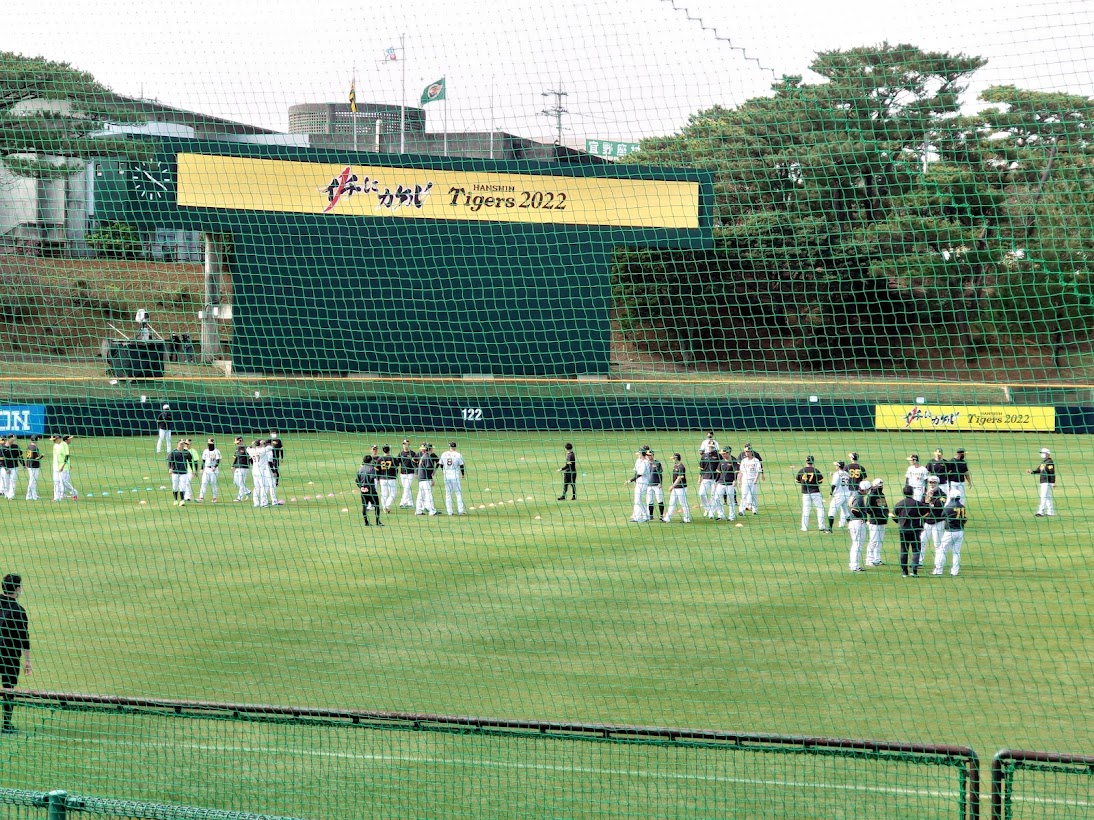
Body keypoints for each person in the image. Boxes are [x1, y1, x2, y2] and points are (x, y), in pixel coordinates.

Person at [0, 574, 31, 734]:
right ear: (18, 589)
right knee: (9, 689)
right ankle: (6, 725)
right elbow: (23, 637)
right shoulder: (19, 611)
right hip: (9, 656)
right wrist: (28, 661)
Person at [893, 485, 929, 577]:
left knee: (904, 550)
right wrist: (921, 521)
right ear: (912, 492)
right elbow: (927, 512)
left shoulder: (899, 504)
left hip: (903, 530)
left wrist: (899, 521)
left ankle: (904, 572)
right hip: (915, 530)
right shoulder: (918, 504)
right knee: (916, 550)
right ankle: (914, 571)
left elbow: (893, 515)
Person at [934, 490, 967, 576]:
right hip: (960, 531)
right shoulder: (962, 507)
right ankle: (955, 571)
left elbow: (942, 515)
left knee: (942, 550)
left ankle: (938, 570)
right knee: (956, 552)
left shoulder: (948, 507)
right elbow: (964, 519)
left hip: (950, 532)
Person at [796, 456, 827, 532]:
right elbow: (821, 481)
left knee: (806, 510)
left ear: (806, 461)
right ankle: (821, 526)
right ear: (813, 461)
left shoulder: (802, 470)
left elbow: (797, 481)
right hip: (816, 492)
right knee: (820, 509)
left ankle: (804, 527)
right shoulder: (816, 470)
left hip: (805, 493)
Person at [920, 476, 946, 558]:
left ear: (937, 483)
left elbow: (940, 506)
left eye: (934, 482)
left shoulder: (942, 495)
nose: (932, 484)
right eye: (930, 482)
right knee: (922, 541)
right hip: (927, 522)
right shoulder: (925, 494)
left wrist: (930, 501)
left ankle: (938, 562)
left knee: (937, 543)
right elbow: (921, 506)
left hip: (938, 522)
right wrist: (928, 501)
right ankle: (919, 561)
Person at [865, 478, 888, 567]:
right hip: (874, 522)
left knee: (879, 541)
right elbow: (868, 509)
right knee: (873, 541)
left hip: (882, 521)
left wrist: (885, 515)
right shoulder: (871, 496)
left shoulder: (881, 495)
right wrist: (876, 514)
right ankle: (869, 560)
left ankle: (877, 559)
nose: (881, 487)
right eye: (879, 486)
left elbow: (884, 507)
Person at [848, 480, 870, 572]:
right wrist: (862, 517)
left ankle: (853, 564)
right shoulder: (859, 497)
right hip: (857, 523)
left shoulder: (854, 494)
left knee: (855, 544)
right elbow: (854, 510)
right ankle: (854, 565)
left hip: (853, 522)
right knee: (857, 545)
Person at [711, 448, 738, 522]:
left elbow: (736, 471)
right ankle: (721, 515)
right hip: (721, 483)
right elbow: (718, 472)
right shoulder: (721, 461)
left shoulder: (733, 461)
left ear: (728, 453)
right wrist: (716, 482)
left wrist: (735, 480)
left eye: (724, 454)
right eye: (722, 454)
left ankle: (731, 516)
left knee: (731, 500)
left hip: (730, 484)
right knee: (716, 498)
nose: (722, 455)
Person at [1027, 448, 1056, 517]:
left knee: (1043, 496)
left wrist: (1053, 482)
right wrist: (1032, 472)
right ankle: (1050, 512)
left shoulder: (1049, 462)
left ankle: (1040, 512)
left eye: (1043, 453)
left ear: (1047, 454)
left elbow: (1052, 472)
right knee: (1047, 497)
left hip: (1047, 482)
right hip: (1043, 481)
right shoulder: (1044, 462)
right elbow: (1039, 470)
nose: (1042, 454)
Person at [662, 453, 690, 523]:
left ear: (676, 458)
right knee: (672, 503)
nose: (673, 459)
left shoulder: (681, 467)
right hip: (676, 488)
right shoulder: (675, 466)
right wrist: (673, 486)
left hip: (681, 488)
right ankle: (667, 518)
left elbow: (679, 478)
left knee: (683, 503)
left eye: (673, 458)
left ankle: (687, 519)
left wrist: (672, 486)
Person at [355, 455, 383, 526]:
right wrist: (367, 487)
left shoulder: (360, 469)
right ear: (370, 461)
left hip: (363, 491)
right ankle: (377, 522)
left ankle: (366, 522)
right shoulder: (371, 469)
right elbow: (371, 478)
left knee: (364, 506)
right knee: (376, 506)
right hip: (371, 491)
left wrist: (361, 487)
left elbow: (357, 480)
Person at [442, 441, 467, 516]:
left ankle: (449, 512)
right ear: (455, 447)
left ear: (449, 446)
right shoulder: (458, 455)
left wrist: (444, 471)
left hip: (446, 475)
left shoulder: (444, 454)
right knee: (458, 493)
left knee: (448, 494)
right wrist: (463, 474)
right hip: (454, 475)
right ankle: (460, 511)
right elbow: (461, 465)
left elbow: (440, 464)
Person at [627, 447, 651, 523]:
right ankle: (640, 516)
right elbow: (636, 472)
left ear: (641, 454)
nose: (638, 455)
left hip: (643, 482)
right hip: (638, 482)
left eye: (639, 453)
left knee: (638, 500)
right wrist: (635, 481)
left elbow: (640, 474)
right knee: (637, 500)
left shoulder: (646, 462)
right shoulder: (639, 461)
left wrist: (630, 480)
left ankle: (645, 516)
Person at [737, 445, 763, 515]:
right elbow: (741, 471)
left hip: (753, 480)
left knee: (753, 496)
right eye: (745, 452)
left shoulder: (756, 460)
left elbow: (758, 471)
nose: (746, 453)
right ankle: (741, 510)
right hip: (745, 480)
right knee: (744, 496)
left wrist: (756, 480)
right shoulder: (743, 461)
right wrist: (739, 480)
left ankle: (754, 510)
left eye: (748, 451)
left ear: (751, 452)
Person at [51, 435, 78, 502]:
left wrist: (63, 466)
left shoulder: (64, 445)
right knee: (56, 482)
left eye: (54, 439)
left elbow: (67, 456)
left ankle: (74, 493)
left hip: (63, 467)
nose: (53, 441)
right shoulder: (55, 446)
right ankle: (57, 498)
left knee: (63, 482)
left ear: (58, 438)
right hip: (55, 467)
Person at [167, 439, 193, 506]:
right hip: (175, 472)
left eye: (183, 444)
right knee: (175, 487)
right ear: (177, 444)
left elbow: (190, 461)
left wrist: (192, 470)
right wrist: (170, 468)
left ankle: (182, 500)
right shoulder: (173, 452)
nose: (182, 445)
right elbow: (170, 461)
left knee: (182, 487)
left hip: (183, 472)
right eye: (181, 444)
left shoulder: (186, 452)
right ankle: (175, 500)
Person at [414, 443, 439, 516]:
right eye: (432, 448)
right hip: (425, 478)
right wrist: (431, 479)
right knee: (428, 494)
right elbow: (428, 469)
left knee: (420, 495)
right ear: (430, 449)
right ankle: (432, 511)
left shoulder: (423, 456)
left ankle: (418, 511)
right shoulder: (427, 457)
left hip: (421, 478)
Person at [828, 460, 852, 531]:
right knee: (846, 512)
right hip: (846, 495)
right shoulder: (847, 474)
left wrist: (831, 493)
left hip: (839, 495)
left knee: (831, 511)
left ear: (838, 466)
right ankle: (851, 528)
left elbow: (834, 485)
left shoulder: (837, 473)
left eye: (836, 465)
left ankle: (829, 528)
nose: (835, 466)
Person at [196, 438, 221, 503]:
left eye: (211, 444)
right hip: (206, 469)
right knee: (203, 483)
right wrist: (202, 468)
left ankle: (214, 498)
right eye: (209, 443)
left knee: (213, 483)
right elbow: (203, 460)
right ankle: (201, 497)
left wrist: (215, 466)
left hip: (214, 470)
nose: (209, 445)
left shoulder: (217, 451)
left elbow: (218, 460)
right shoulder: (205, 451)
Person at [697, 446, 719, 518]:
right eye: (709, 447)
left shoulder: (718, 456)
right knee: (701, 493)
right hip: (706, 478)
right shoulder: (704, 456)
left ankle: (711, 513)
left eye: (712, 447)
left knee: (713, 496)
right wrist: (699, 478)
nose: (710, 448)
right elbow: (702, 468)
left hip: (715, 479)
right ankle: (707, 509)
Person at [377, 445, 398, 512]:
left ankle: (384, 507)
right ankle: (387, 506)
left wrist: (378, 478)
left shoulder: (379, 459)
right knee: (393, 493)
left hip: (382, 478)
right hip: (391, 478)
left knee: (384, 494)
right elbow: (397, 466)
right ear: (389, 450)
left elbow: (377, 469)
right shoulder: (393, 458)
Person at [645, 450, 665, 522]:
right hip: (649, 485)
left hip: (656, 485)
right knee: (650, 500)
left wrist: (660, 483)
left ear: (653, 455)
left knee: (659, 500)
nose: (648, 456)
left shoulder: (657, 463)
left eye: (649, 455)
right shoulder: (646, 463)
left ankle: (661, 515)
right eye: (647, 455)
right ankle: (651, 515)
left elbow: (660, 473)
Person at [397, 439, 417, 509]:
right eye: (404, 444)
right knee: (406, 489)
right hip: (402, 474)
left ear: (408, 445)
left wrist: (416, 472)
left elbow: (417, 462)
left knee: (406, 488)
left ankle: (402, 502)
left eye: (406, 444)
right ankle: (410, 503)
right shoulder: (400, 454)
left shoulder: (412, 453)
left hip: (410, 473)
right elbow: (397, 463)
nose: (405, 445)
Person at [231, 437, 251, 502]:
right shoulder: (237, 448)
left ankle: (239, 498)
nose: (237, 444)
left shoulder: (247, 448)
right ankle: (248, 491)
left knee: (241, 483)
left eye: (238, 443)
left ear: (241, 441)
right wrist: (233, 465)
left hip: (244, 467)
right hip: (237, 467)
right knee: (235, 482)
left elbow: (250, 457)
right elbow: (236, 458)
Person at [21, 436, 42, 501]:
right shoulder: (35, 448)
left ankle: (34, 495)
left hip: (29, 465)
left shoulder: (29, 447)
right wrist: (42, 456)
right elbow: (36, 458)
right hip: (34, 466)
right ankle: (28, 496)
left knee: (33, 481)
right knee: (32, 481)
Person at [0, 436, 20, 500]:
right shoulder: (2, 448)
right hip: (5, 468)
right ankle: (6, 494)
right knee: (6, 482)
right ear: (8, 439)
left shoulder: (16, 447)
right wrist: (6, 469)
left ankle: (11, 495)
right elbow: (1, 460)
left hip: (14, 467)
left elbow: (20, 456)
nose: (13, 441)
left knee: (13, 481)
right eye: (12, 440)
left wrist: (24, 465)